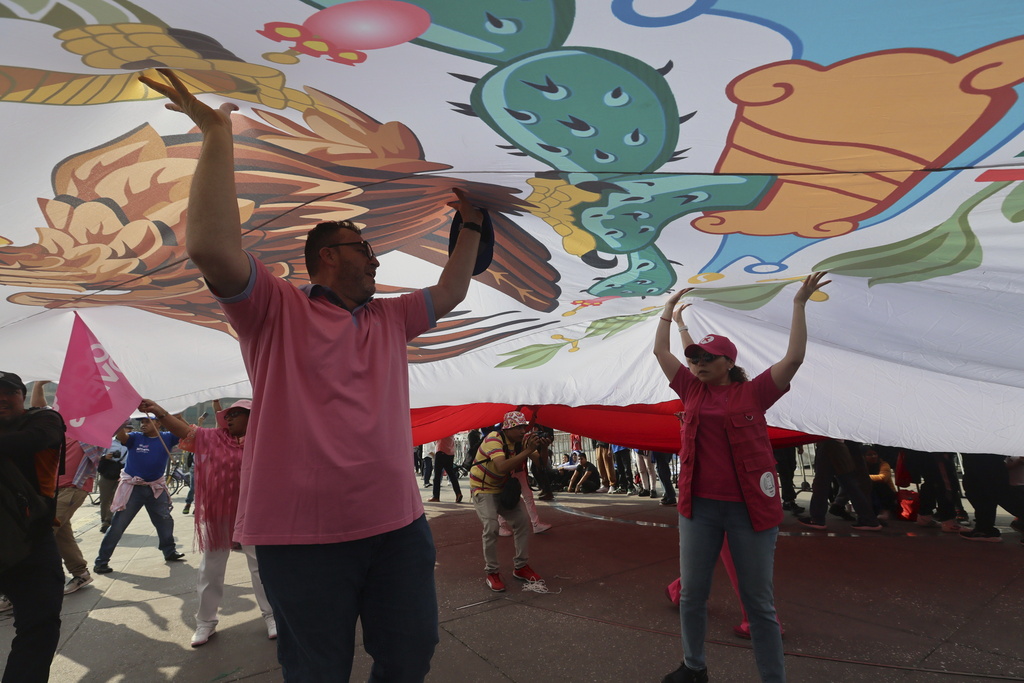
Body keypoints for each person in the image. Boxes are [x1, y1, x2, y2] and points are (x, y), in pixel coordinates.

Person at [141, 68, 489, 681]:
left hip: (399, 528)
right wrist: (218, 135)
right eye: (364, 249)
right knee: (316, 671)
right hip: (298, 538)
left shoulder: (390, 317)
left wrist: (474, 226)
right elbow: (212, 249)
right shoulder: (274, 309)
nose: (377, 259)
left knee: (410, 654)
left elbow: (452, 290)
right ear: (327, 255)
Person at [653, 272, 829, 683]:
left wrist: (799, 304)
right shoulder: (691, 389)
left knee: (758, 603)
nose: (696, 363)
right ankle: (694, 667)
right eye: (693, 358)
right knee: (693, 596)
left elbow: (794, 359)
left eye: (706, 359)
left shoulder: (755, 392)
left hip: (749, 510)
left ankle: (773, 678)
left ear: (729, 363)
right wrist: (670, 316)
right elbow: (663, 352)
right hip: (698, 509)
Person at [137, 398, 276, 646]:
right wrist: (159, 411)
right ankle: (205, 622)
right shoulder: (213, 437)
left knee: (260, 568)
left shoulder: (267, 440)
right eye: (228, 415)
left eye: (236, 414)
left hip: (254, 515)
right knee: (211, 569)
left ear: (253, 417)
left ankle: (272, 616)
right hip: (219, 514)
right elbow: (184, 431)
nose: (229, 418)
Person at [0, 374, 65, 683]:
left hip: (31, 541)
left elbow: (37, 440)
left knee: (39, 625)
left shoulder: (45, 420)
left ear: (21, 395)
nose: (0, 398)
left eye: (7, 392)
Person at [29, 381, 104, 595]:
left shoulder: (90, 428)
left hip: (72, 487)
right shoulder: (57, 423)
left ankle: (20, 589)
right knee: (62, 533)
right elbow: (37, 411)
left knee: (41, 533)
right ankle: (80, 573)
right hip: (51, 489)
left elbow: (113, 419)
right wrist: (38, 385)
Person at [94, 415, 184, 574]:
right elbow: (121, 436)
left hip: (155, 488)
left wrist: (177, 416)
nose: (143, 424)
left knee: (164, 520)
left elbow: (185, 431)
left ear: (158, 423)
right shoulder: (135, 438)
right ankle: (101, 561)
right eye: (141, 422)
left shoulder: (167, 438)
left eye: (147, 421)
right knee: (118, 524)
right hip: (133, 489)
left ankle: (169, 551)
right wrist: (119, 419)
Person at [468, 411, 547, 592]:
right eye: (518, 428)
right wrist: (528, 450)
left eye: (523, 427)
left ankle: (520, 567)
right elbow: (501, 466)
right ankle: (492, 572)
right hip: (483, 489)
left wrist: (542, 448)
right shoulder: (494, 439)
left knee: (521, 522)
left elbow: (542, 464)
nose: (522, 431)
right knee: (491, 527)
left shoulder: (520, 442)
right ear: (508, 428)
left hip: (502, 488)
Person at [96, 432, 128, 533]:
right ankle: (104, 520)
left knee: (116, 499)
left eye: (129, 430)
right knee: (105, 498)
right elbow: (96, 455)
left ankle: (109, 521)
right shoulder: (108, 442)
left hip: (123, 473)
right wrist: (105, 457)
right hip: (108, 472)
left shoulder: (130, 444)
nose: (126, 432)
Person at [427, 434, 463, 503]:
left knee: (437, 475)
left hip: (441, 450)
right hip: (450, 452)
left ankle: (436, 496)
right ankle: (458, 493)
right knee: (451, 474)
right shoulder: (451, 429)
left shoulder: (442, 429)